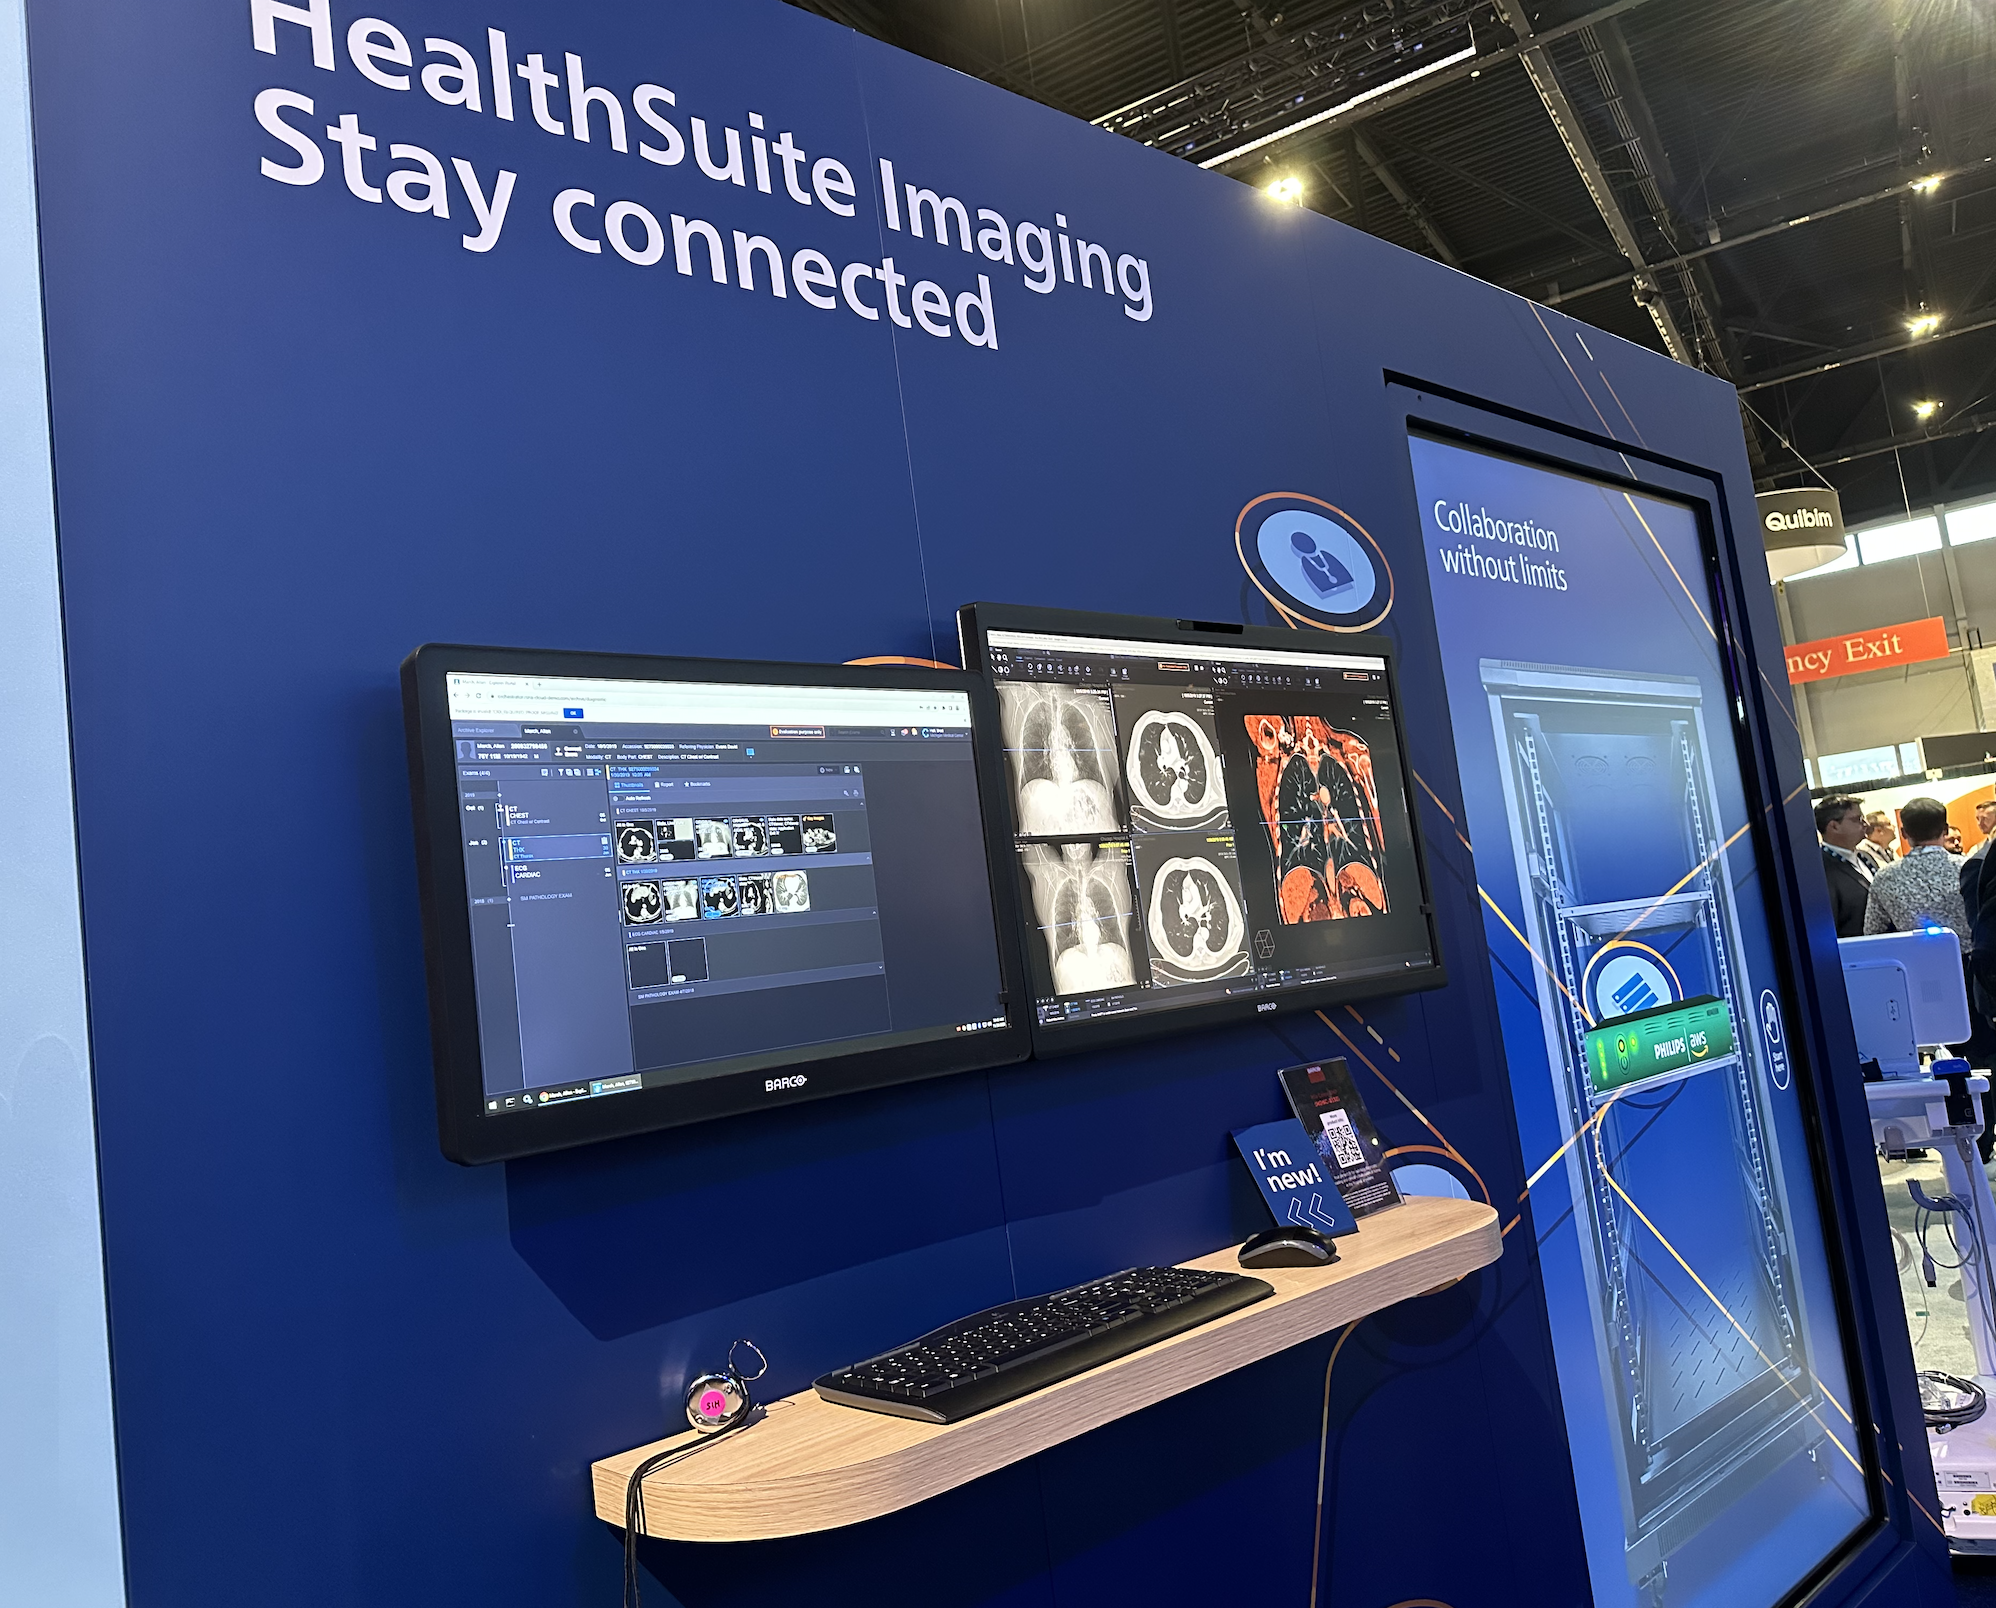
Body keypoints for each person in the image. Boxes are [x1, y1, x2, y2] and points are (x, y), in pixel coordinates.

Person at [1865, 797, 1967, 940]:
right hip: (1970, 952)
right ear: (1945, 830)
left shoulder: (1884, 876)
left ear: (1903, 833)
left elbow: (1873, 933)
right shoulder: (1968, 867)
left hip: (1912, 953)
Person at [1815, 794, 1871, 939]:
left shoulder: (1865, 857)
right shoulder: (1820, 867)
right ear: (1834, 826)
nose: (1866, 824)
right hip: (1855, 948)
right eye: (1857, 819)